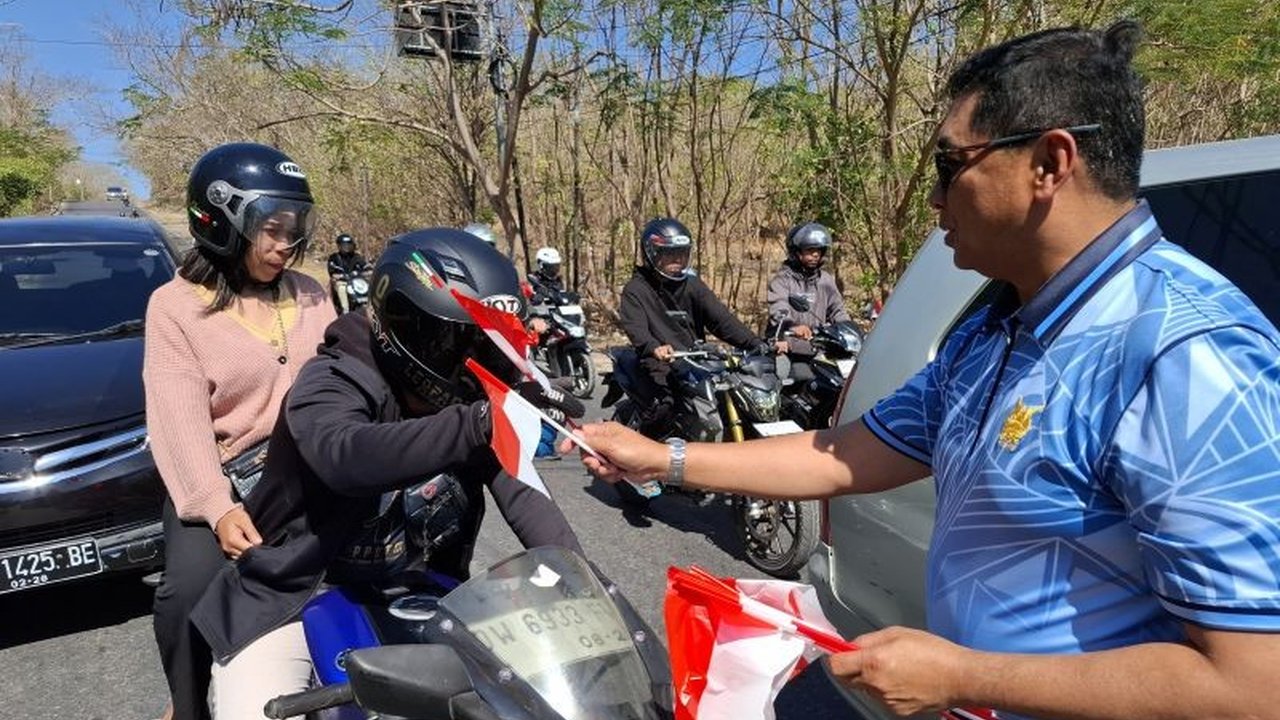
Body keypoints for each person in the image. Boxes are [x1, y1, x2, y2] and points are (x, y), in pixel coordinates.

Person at [572, 21, 1280, 720]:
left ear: (1049, 163)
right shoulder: (995, 326)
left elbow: (1253, 687)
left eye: (950, 165)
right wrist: (659, 458)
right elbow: (844, 452)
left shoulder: (1188, 355)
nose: (935, 200)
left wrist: (966, 675)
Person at [188, 227, 586, 719]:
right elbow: (345, 456)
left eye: (489, 345)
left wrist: (587, 593)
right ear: (406, 324)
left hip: (425, 593)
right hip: (295, 595)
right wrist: (484, 421)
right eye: (460, 341)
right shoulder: (329, 382)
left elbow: (525, 495)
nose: (476, 362)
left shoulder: (471, 397)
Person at [144, 142, 335, 720]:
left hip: (313, 469)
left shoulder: (310, 293)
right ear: (221, 222)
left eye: (294, 229)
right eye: (271, 230)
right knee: (187, 592)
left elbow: (344, 377)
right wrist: (216, 507)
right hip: (229, 479)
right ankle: (187, 705)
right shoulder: (175, 307)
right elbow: (178, 420)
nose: (286, 244)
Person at [620, 217, 786, 438]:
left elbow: (722, 321)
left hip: (694, 360)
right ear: (652, 254)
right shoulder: (636, 289)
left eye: (681, 253)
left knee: (735, 399)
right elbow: (636, 328)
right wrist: (654, 347)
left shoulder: (691, 284)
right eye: (669, 253)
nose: (677, 259)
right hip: (658, 362)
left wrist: (757, 343)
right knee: (663, 407)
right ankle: (644, 455)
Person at [766, 222, 852, 382]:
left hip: (819, 350)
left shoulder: (825, 280)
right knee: (803, 378)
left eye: (818, 250)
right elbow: (779, 308)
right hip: (790, 349)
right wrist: (792, 326)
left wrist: (850, 332)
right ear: (796, 252)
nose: (815, 255)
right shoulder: (783, 280)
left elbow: (838, 311)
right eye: (810, 250)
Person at [325, 232, 370, 314]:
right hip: (342, 282)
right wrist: (340, 276)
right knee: (342, 288)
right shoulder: (334, 258)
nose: (346, 247)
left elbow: (367, 268)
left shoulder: (357, 257)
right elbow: (333, 273)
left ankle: (371, 310)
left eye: (349, 244)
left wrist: (368, 272)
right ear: (339, 246)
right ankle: (345, 310)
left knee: (368, 287)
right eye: (344, 245)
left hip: (356, 281)